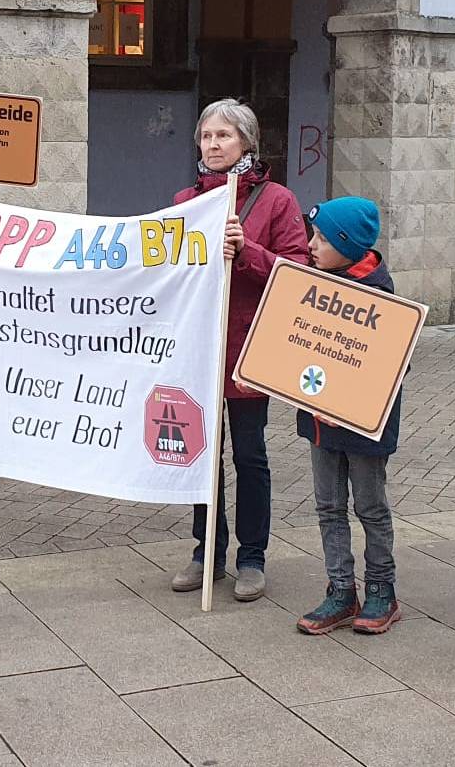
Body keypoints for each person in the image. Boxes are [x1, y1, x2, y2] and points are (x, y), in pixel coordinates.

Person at [167, 98, 310, 602]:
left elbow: (296, 273)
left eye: (224, 136)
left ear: (246, 142)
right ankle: (206, 551)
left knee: (250, 455)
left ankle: (252, 557)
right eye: (207, 136)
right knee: (203, 457)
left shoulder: (277, 201)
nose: (214, 144)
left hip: (250, 348)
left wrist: (248, 251)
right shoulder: (187, 197)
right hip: (200, 349)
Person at [293, 197, 405, 636]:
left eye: (321, 238)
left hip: (364, 426)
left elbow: (393, 363)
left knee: (371, 506)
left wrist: (348, 402)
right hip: (320, 419)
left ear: (348, 245)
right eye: (313, 235)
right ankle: (341, 589)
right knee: (328, 505)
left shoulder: (379, 292)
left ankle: (382, 589)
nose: (311, 245)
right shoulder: (312, 283)